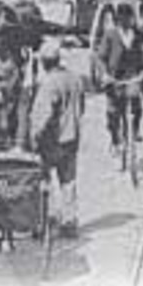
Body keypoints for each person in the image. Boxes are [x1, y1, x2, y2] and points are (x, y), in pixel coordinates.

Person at [28, 41, 88, 237]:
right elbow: (82, 106)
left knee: (44, 179)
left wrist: (35, 136)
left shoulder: (49, 84)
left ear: (44, 62)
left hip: (52, 140)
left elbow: (44, 115)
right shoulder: (75, 78)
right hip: (72, 137)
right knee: (68, 181)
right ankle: (69, 221)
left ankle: (48, 218)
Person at [93, 1, 143, 158]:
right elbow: (100, 57)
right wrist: (105, 74)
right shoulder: (110, 35)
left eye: (129, 18)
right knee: (113, 113)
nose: (127, 21)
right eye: (123, 18)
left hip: (133, 77)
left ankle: (135, 131)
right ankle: (115, 141)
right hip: (114, 79)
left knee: (137, 107)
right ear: (118, 20)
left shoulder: (138, 34)